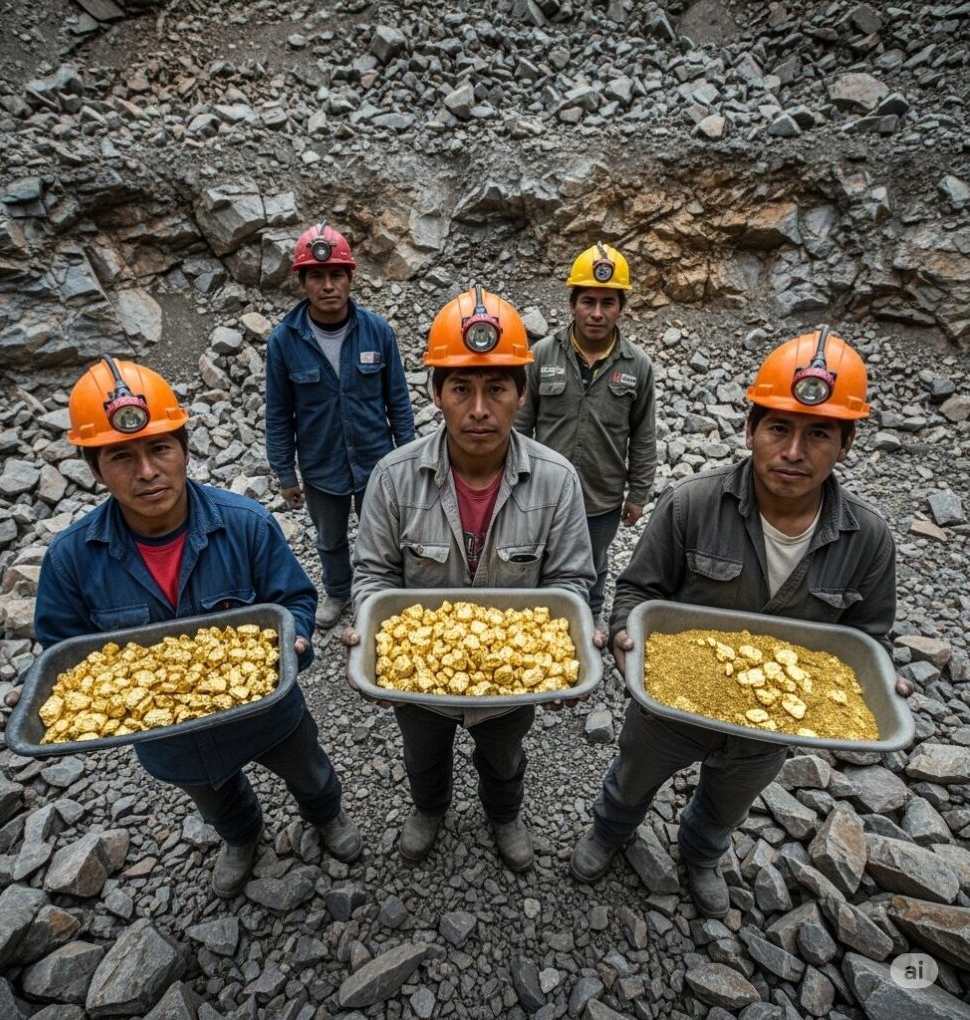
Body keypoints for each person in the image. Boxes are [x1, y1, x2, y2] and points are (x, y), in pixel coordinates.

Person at [570, 326, 912, 917]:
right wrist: (625, 633)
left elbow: (865, 638)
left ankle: (701, 855)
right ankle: (610, 831)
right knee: (632, 775)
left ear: (846, 444)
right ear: (750, 428)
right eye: (779, 427)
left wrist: (878, 678)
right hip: (670, 707)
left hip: (770, 726)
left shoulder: (869, 539)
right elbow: (637, 590)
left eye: (819, 433)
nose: (795, 451)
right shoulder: (692, 505)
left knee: (730, 801)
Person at [24, 356, 361, 899]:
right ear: (93, 468)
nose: (147, 471)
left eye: (159, 448)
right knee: (212, 796)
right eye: (121, 456)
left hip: (267, 712)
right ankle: (241, 838)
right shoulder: (71, 558)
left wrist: (296, 634)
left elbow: (293, 597)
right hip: (171, 738)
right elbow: (62, 650)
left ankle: (327, 817)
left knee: (309, 770)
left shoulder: (246, 524)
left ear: (184, 449)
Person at [342, 286, 602, 872]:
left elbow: (570, 580)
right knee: (423, 753)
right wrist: (368, 621)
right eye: (461, 388)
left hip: (512, 682)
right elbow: (375, 573)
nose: (479, 409)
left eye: (496, 388)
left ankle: (504, 814)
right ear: (436, 393)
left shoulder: (557, 481)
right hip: (420, 683)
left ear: (521, 393)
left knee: (505, 754)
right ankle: (429, 808)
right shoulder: (393, 478)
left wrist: (569, 646)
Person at [265, 222, 415, 629]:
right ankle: (337, 593)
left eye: (336, 275)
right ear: (303, 283)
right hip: (320, 466)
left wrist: (409, 459)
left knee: (382, 536)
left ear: (350, 278)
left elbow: (397, 401)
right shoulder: (284, 341)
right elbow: (278, 413)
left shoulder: (378, 332)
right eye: (317, 276)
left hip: (376, 462)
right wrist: (285, 473)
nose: (327, 285)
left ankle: (381, 594)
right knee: (330, 540)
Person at [514, 242, 656, 629]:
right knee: (538, 559)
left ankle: (589, 624)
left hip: (602, 495)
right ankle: (540, 624)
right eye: (588, 301)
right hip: (541, 492)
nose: (596, 313)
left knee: (592, 565)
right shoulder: (542, 355)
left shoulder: (637, 365)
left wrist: (639, 493)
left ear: (621, 308)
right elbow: (521, 425)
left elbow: (644, 434)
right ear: (572, 303)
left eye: (607, 303)